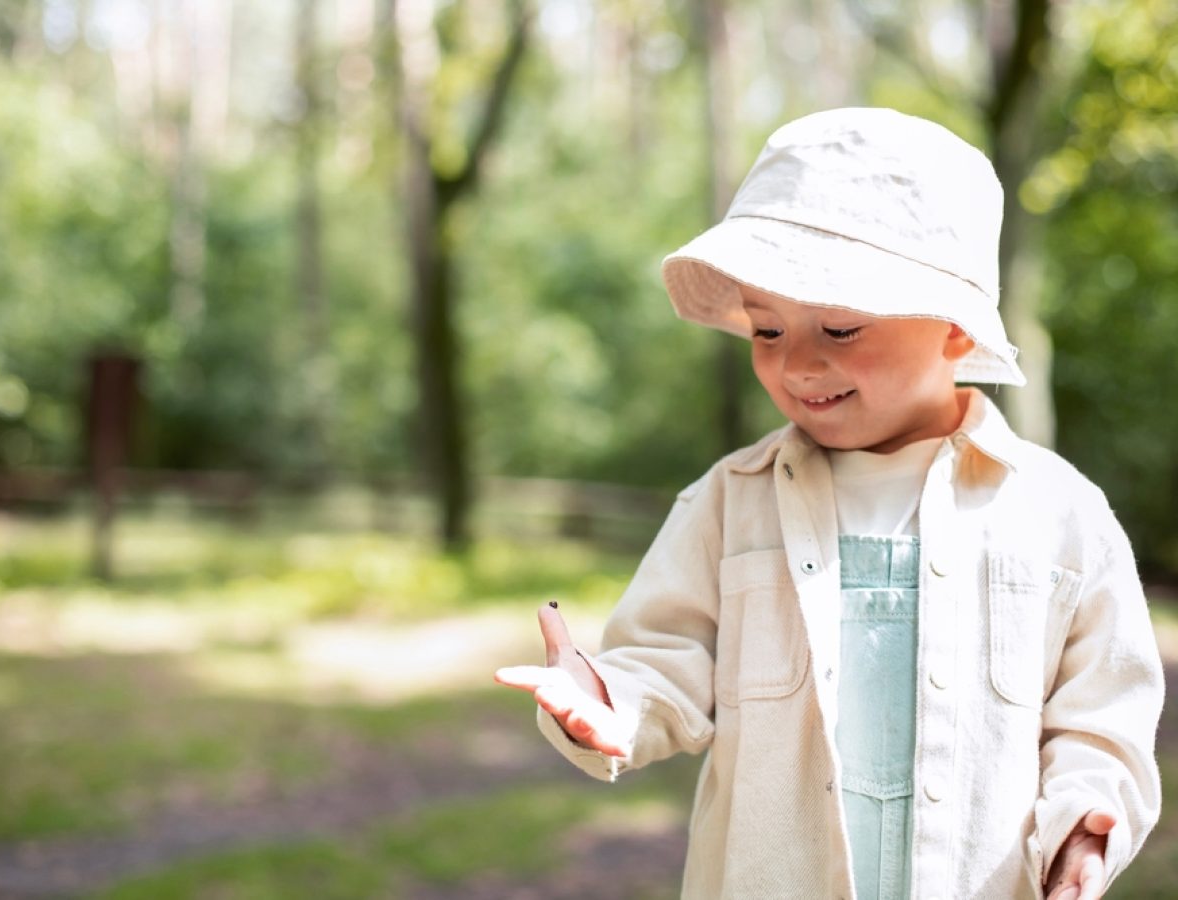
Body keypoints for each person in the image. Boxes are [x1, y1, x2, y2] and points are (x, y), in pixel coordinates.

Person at [495, 107, 1163, 900]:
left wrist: (1085, 825)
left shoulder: (1059, 515)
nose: (798, 363)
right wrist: (610, 701)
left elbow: (1101, 716)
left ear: (955, 329)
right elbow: (666, 662)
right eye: (767, 331)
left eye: (841, 328)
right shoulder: (727, 505)